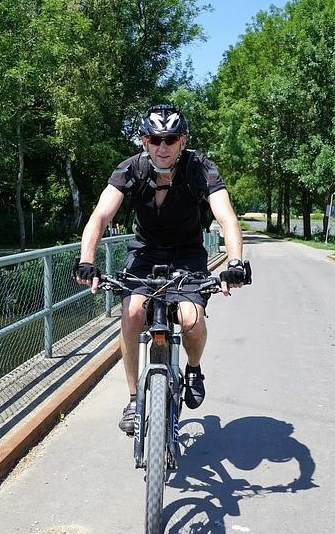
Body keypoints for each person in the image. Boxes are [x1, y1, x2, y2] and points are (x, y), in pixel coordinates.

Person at [73, 104, 248, 435]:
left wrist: (235, 262)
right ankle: (133, 398)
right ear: (144, 141)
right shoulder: (130, 170)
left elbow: (227, 217)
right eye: (155, 139)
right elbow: (99, 217)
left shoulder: (200, 168)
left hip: (188, 252)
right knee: (132, 313)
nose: (163, 147)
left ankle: (193, 369)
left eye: (171, 139)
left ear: (182, 141)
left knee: (190, 318)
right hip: (145, 251)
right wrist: (87, 260)